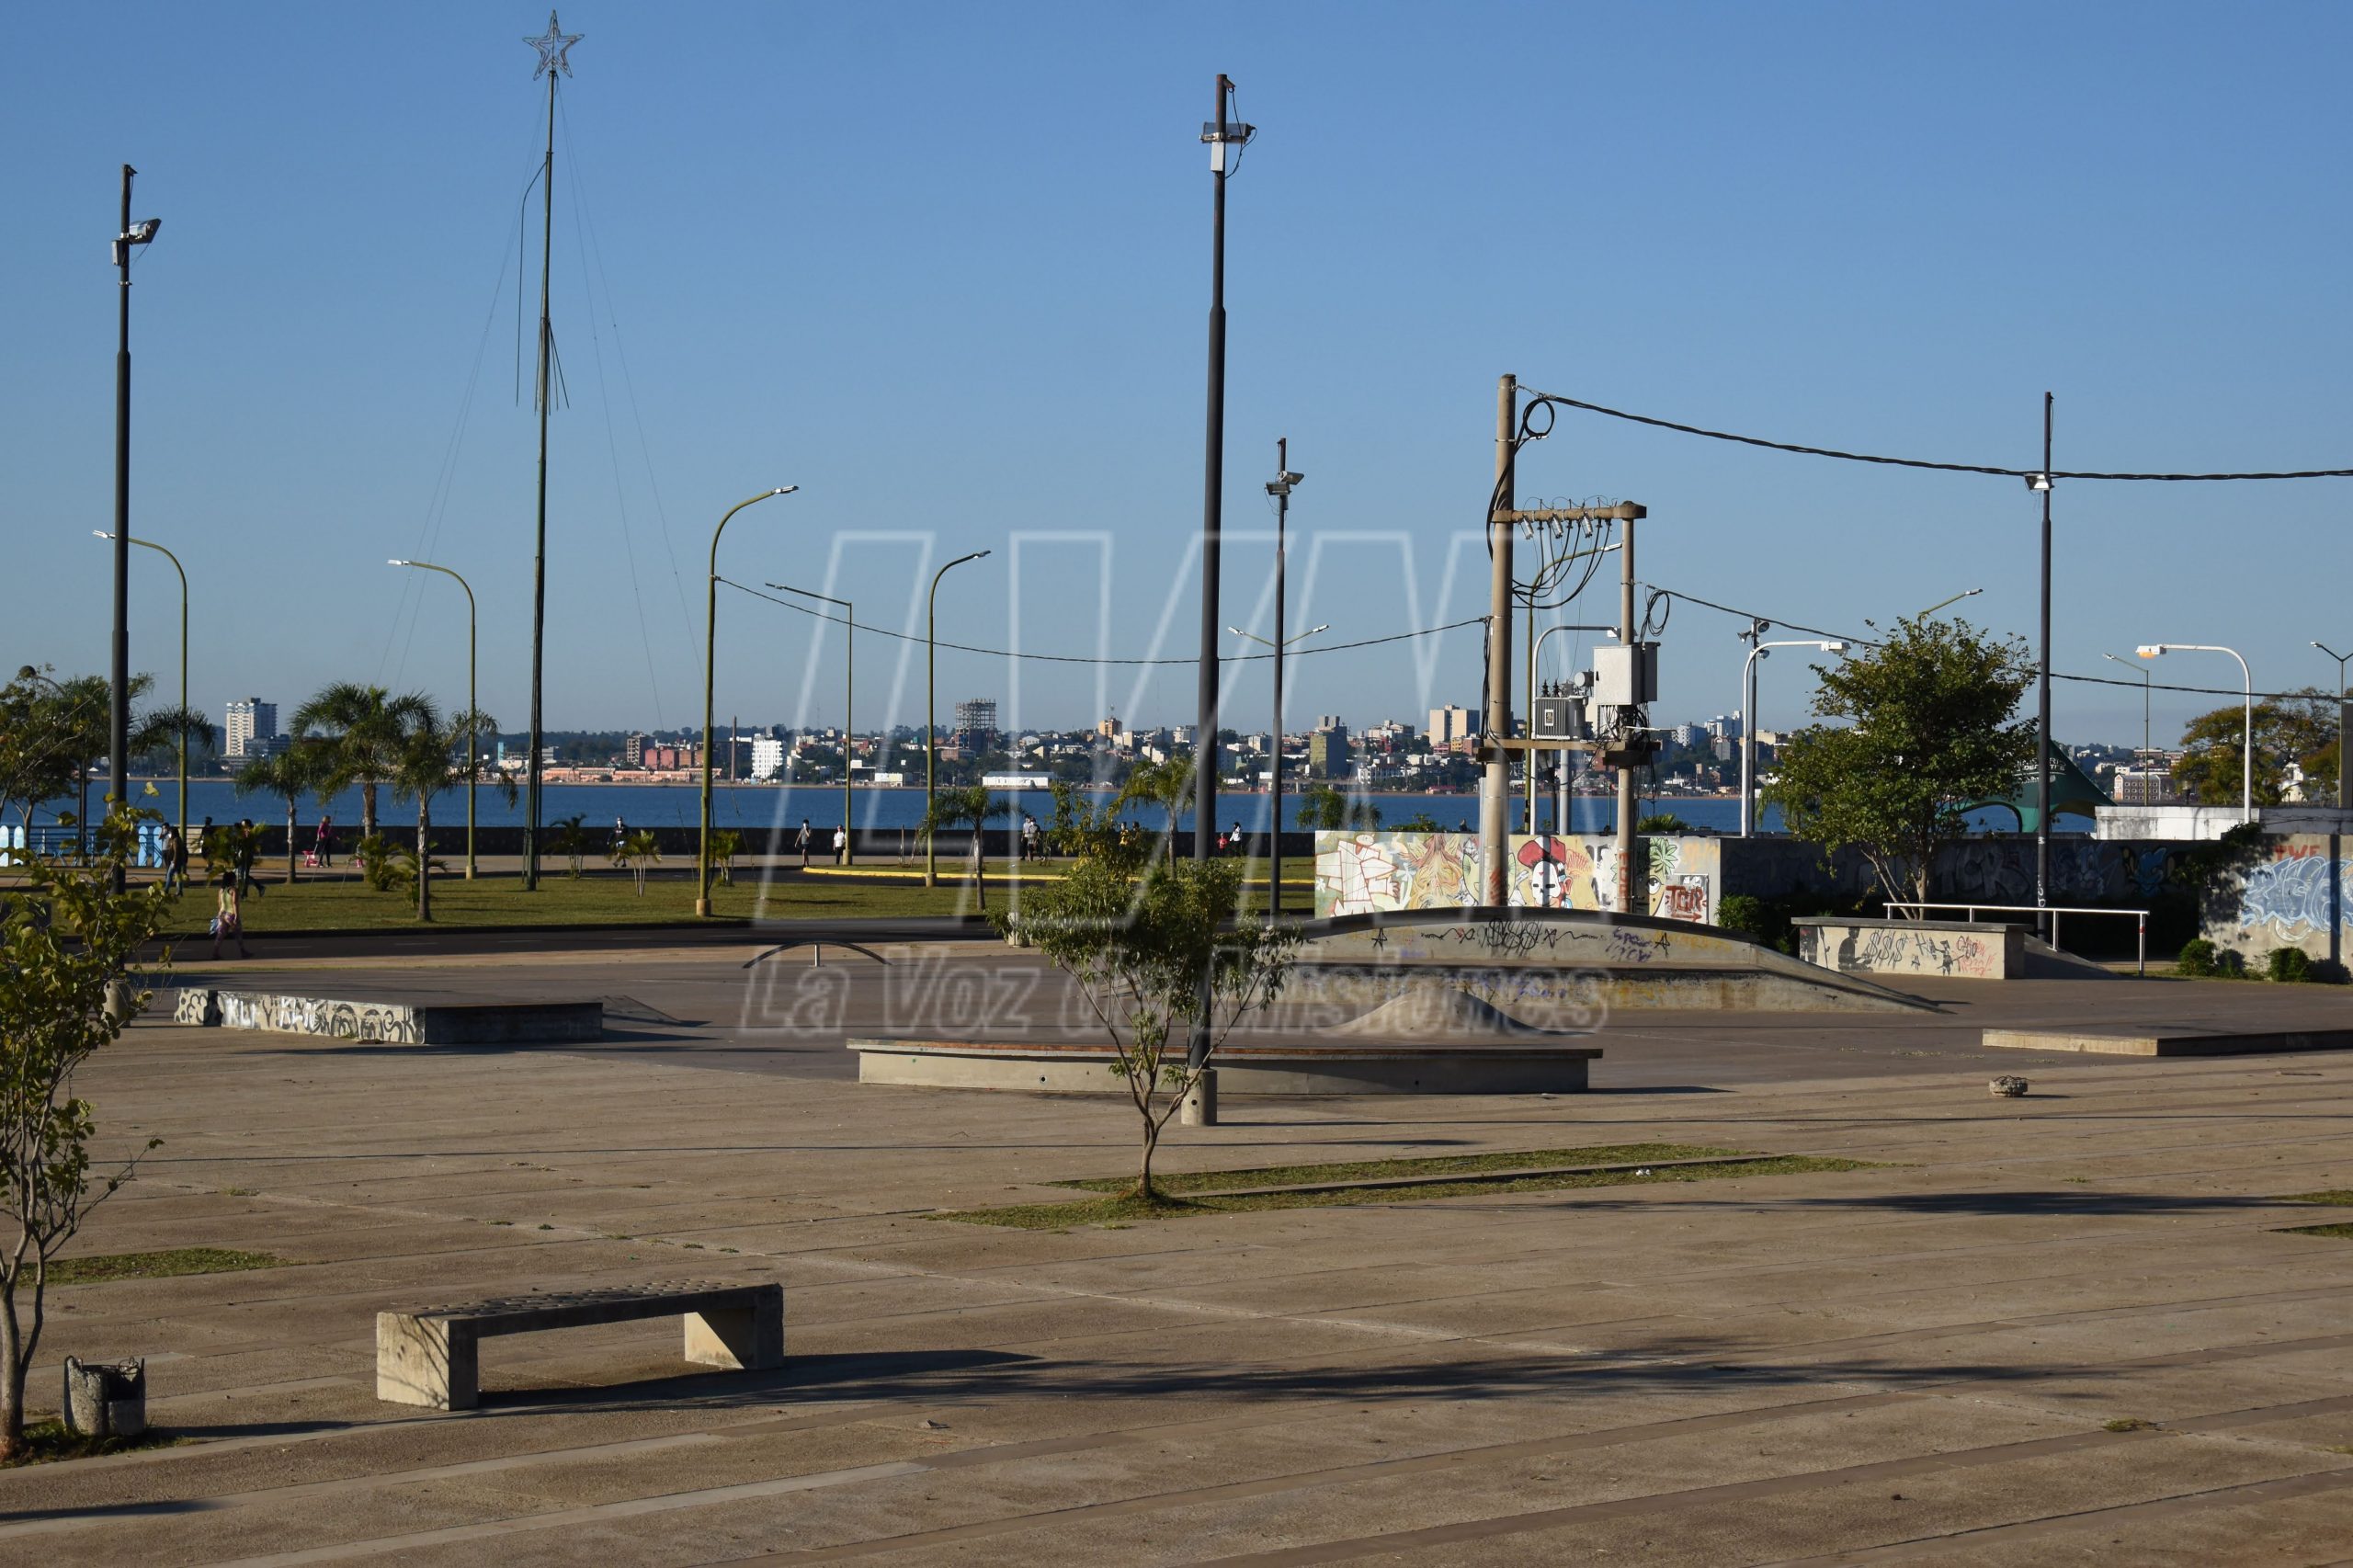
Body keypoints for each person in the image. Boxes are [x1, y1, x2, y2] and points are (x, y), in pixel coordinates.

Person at [210, 868, 248, 960]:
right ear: (231, 880)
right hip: (230, 914)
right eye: (234, 878)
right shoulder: (233, 890)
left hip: (222, 914)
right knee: (238, 933)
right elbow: (235, 903)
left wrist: (221, 912)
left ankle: (215, 953)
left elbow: (219, 902)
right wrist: (237, 916)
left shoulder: (221, 890)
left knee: (220, 934)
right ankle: (243, 952)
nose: (235, 880)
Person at [233, 819, 265, 898]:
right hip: (242, 856)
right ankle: (249, 891)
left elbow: (249, 845)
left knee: (244, 875)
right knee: (244, 875)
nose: (242, 826)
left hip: (247, 857)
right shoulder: (243, 833)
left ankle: (248, 891)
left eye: (244, 825)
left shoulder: (249, 834)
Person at [161, 824, 185, 895]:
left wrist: (174, 862)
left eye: (171, 833)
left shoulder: (175, 841)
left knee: (169, 875)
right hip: (179, 861)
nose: (170, 834)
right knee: (177, 875)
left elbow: (176, 852)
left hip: (176, 861)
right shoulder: (178, 839)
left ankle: (166, 890)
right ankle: (179, 891)